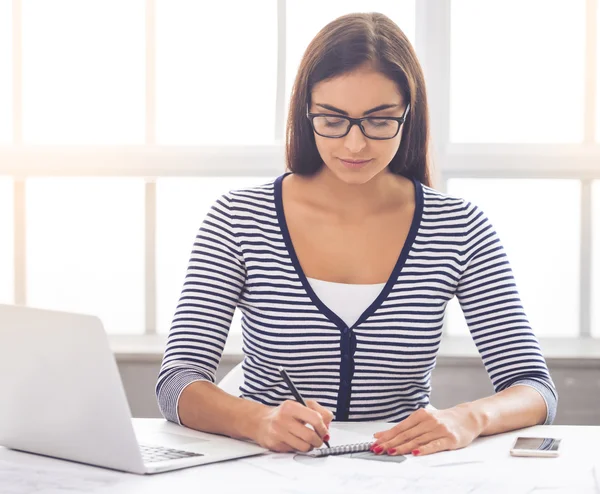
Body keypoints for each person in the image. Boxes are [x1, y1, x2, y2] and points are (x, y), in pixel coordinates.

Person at [156, 12, 557, 457]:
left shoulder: (459, 227)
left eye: (380, 121)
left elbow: (535, 388)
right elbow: (177, 382)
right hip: (264, 469)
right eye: (331, 119)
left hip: (401, 471)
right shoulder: (238, 218)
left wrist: (467, 417)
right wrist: (258, 420)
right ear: (304, 112)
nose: (354, 144)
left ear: (410, 115)